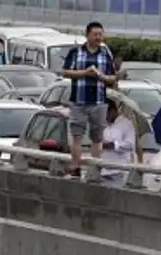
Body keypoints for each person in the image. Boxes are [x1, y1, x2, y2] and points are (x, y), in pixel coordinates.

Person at [61, 21, 117, 175]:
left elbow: (112, 78)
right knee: (77, 135)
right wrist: (84, 73)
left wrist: (101, 76)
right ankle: (75, 166)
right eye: (95, 34)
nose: (99, 37)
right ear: (87, 35)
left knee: (97, 138)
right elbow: (65, 72)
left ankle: (95, 169)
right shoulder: (76, 52)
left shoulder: (106, 54)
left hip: (99, 101)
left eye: (101, 34)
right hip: (79, 100)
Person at [100, 99, 136, 187]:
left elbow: (130, 144)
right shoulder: (103, 125)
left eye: (105, 114)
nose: (104, 117)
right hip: (103, 169)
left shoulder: (126, 124)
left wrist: (113, 145)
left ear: (112, 111)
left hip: (119, 171)